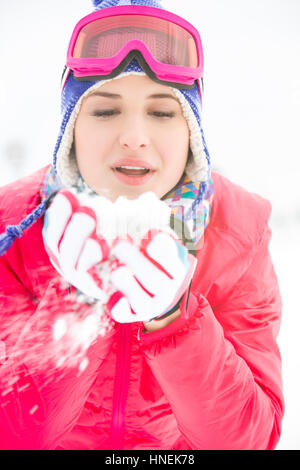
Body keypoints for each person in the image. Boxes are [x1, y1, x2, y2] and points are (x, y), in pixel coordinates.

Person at [0, 0, 284, 450]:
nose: (134, 135)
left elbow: (250, 439)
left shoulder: (239, 234)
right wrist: (75, 309)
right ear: (70, 130)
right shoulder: (12, 229)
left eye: (162, 112)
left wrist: (176, 317)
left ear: (191, 132)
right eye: (105, 111)